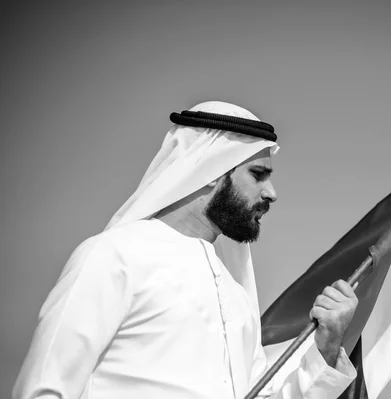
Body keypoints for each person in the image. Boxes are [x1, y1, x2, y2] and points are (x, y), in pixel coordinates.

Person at [13, 101, 358, 399]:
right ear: (210, 171)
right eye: (258, 174)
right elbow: (44, 388)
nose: (271, 193)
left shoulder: (236, 296)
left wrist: (326, 347)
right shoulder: (114, 257)